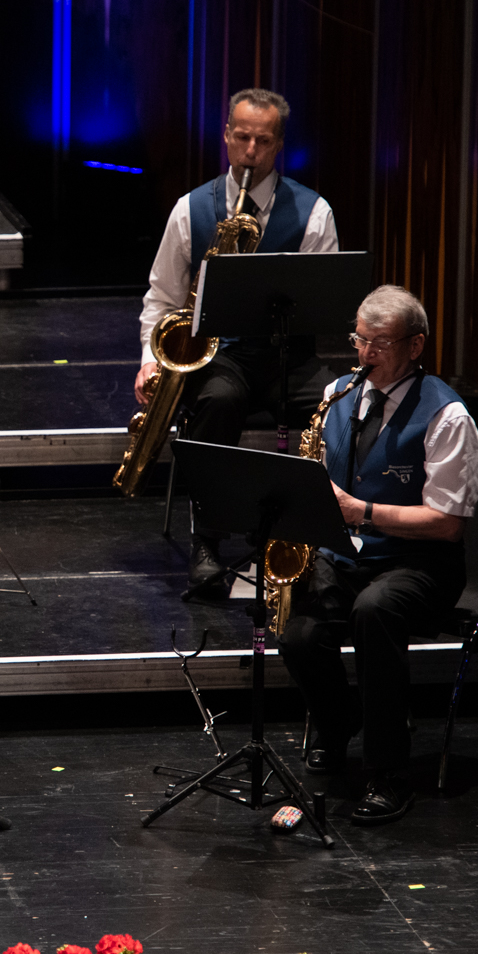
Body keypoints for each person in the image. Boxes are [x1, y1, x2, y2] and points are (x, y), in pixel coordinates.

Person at [277, 285, 478, 827]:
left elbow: (448, 524)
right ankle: (339, 721)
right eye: (359, 340)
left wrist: (361, 511)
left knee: (374, 612)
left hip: (423, 562)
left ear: (415, 346)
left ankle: (388, 773)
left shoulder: (447, 416)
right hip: (349, 555)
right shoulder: (338, 394)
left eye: (379, 344)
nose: (364, 354)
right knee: (297, 634)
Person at [135, 87, 339, 592]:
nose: (251, 151)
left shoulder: (314, 212)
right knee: (218, 402)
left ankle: (318, 542)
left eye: (263, 141)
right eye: (242, 137)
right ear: (226, 135)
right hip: (221, 356)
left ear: (279, 145)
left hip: (288, 356)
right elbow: (162, 296)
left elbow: (324, 302)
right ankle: (207, 540)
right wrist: (149, 360)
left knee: (335, 406)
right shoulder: (190, 209)